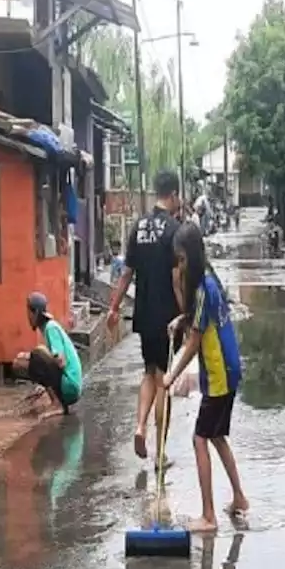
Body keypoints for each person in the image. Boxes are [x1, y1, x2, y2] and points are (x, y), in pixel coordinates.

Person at [164, 223, 248, 532]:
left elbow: (195, 341)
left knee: (200, 438)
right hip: (229, 368)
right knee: (215, 436)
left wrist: (171, 375)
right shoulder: (210, 283)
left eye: (182, 260)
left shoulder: (201, 289)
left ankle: (208, 516)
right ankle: (239, 497)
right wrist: (180, 319)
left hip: (219, 374)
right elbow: (200, 321)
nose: (180, 267)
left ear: (192, 258)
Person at [108, 170, 183, 461]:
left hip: (144, 314)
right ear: (174, 195)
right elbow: (177, 279)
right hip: (168, 318)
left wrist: (114, 308)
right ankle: (161, 452)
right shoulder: (175, 230)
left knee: (149, 372)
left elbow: (126, 274)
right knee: (164, 379)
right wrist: (186, 314)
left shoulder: (138, 227)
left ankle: (140, 426)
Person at [13, 291, 83, 414]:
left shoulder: (51, 327)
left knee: (37, 354)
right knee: (27, 359)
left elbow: (60, 360)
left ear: (34, 313)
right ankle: (53, 397)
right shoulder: (47, 328)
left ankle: (57, 404)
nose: (28, 317)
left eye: (29, 313)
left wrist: (32, 357)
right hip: (68, 385)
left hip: (70, 386)